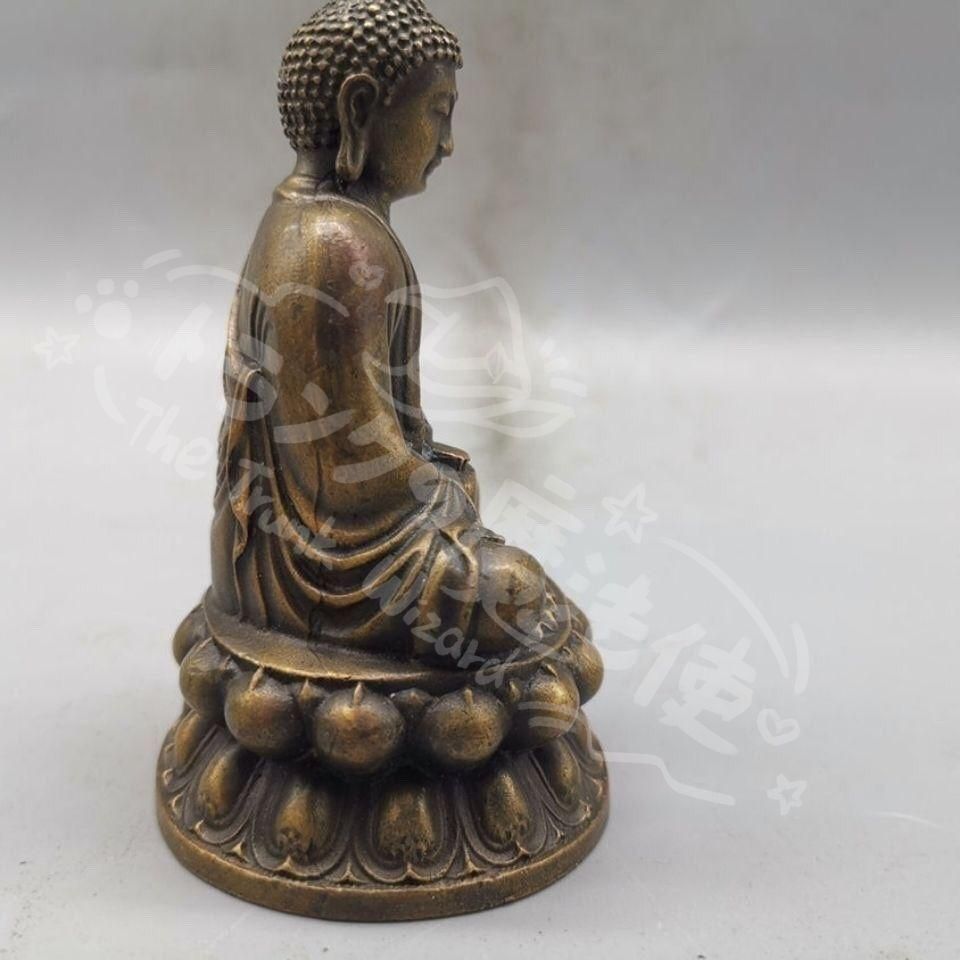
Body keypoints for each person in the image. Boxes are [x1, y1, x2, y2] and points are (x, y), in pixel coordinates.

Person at [210, 0, 553, 664]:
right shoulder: (334, 244)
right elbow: (346, 475)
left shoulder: (307, 223)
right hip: (322, 574)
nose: (447, 143)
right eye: (438, 111)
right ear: (360, 108)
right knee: (514, 593)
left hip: (281, 553)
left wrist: (435, 471)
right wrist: (439, 490)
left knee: (475, 520)